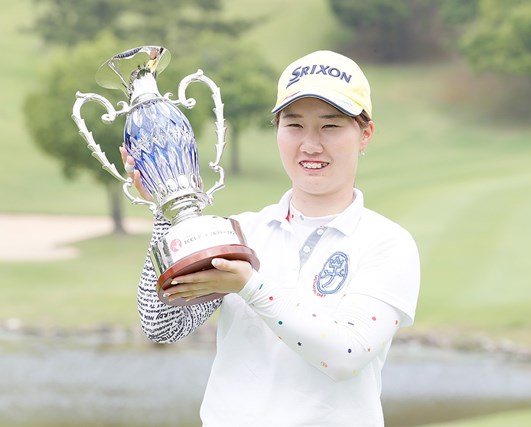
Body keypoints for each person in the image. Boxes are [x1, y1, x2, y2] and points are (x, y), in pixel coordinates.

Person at [123, 50, 421, 427]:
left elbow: (346, 354)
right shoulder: (243, 231)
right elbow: (164, 326)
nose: (310, 145)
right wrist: (167, 213)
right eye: (294, 125)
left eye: (330, 126)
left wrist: (250, 286)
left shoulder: (387, 243)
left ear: (365, 134)